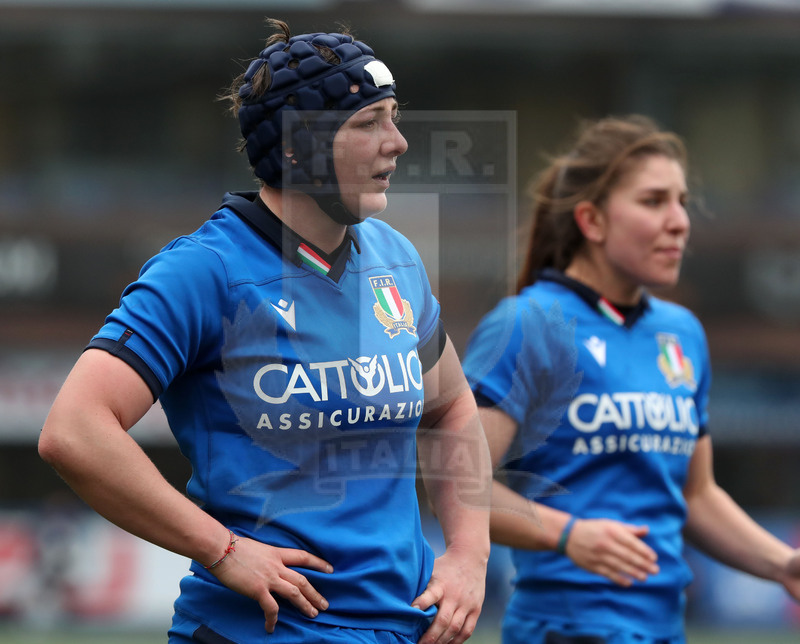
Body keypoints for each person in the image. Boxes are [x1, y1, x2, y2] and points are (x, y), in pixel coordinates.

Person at [39, 19, 491, 644]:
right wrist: (223, 550)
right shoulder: (204, 271)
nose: (399, 142)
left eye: (393, 117)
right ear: (297, 147)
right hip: (265, 631)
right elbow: (74, 432)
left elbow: (452, 409)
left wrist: (469, 557)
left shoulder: (395, 258)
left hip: (403, 629)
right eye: (369, 123)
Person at [461, 114, 800, 644]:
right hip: (564, 630)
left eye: (683, 202)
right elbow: (456, 484)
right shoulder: (528, 324)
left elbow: (698, 496)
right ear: (592, 221)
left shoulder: (681, 332)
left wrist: (783, 566)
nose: (680, 221)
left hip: (666, 628)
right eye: (654, 201)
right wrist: (567, 535)